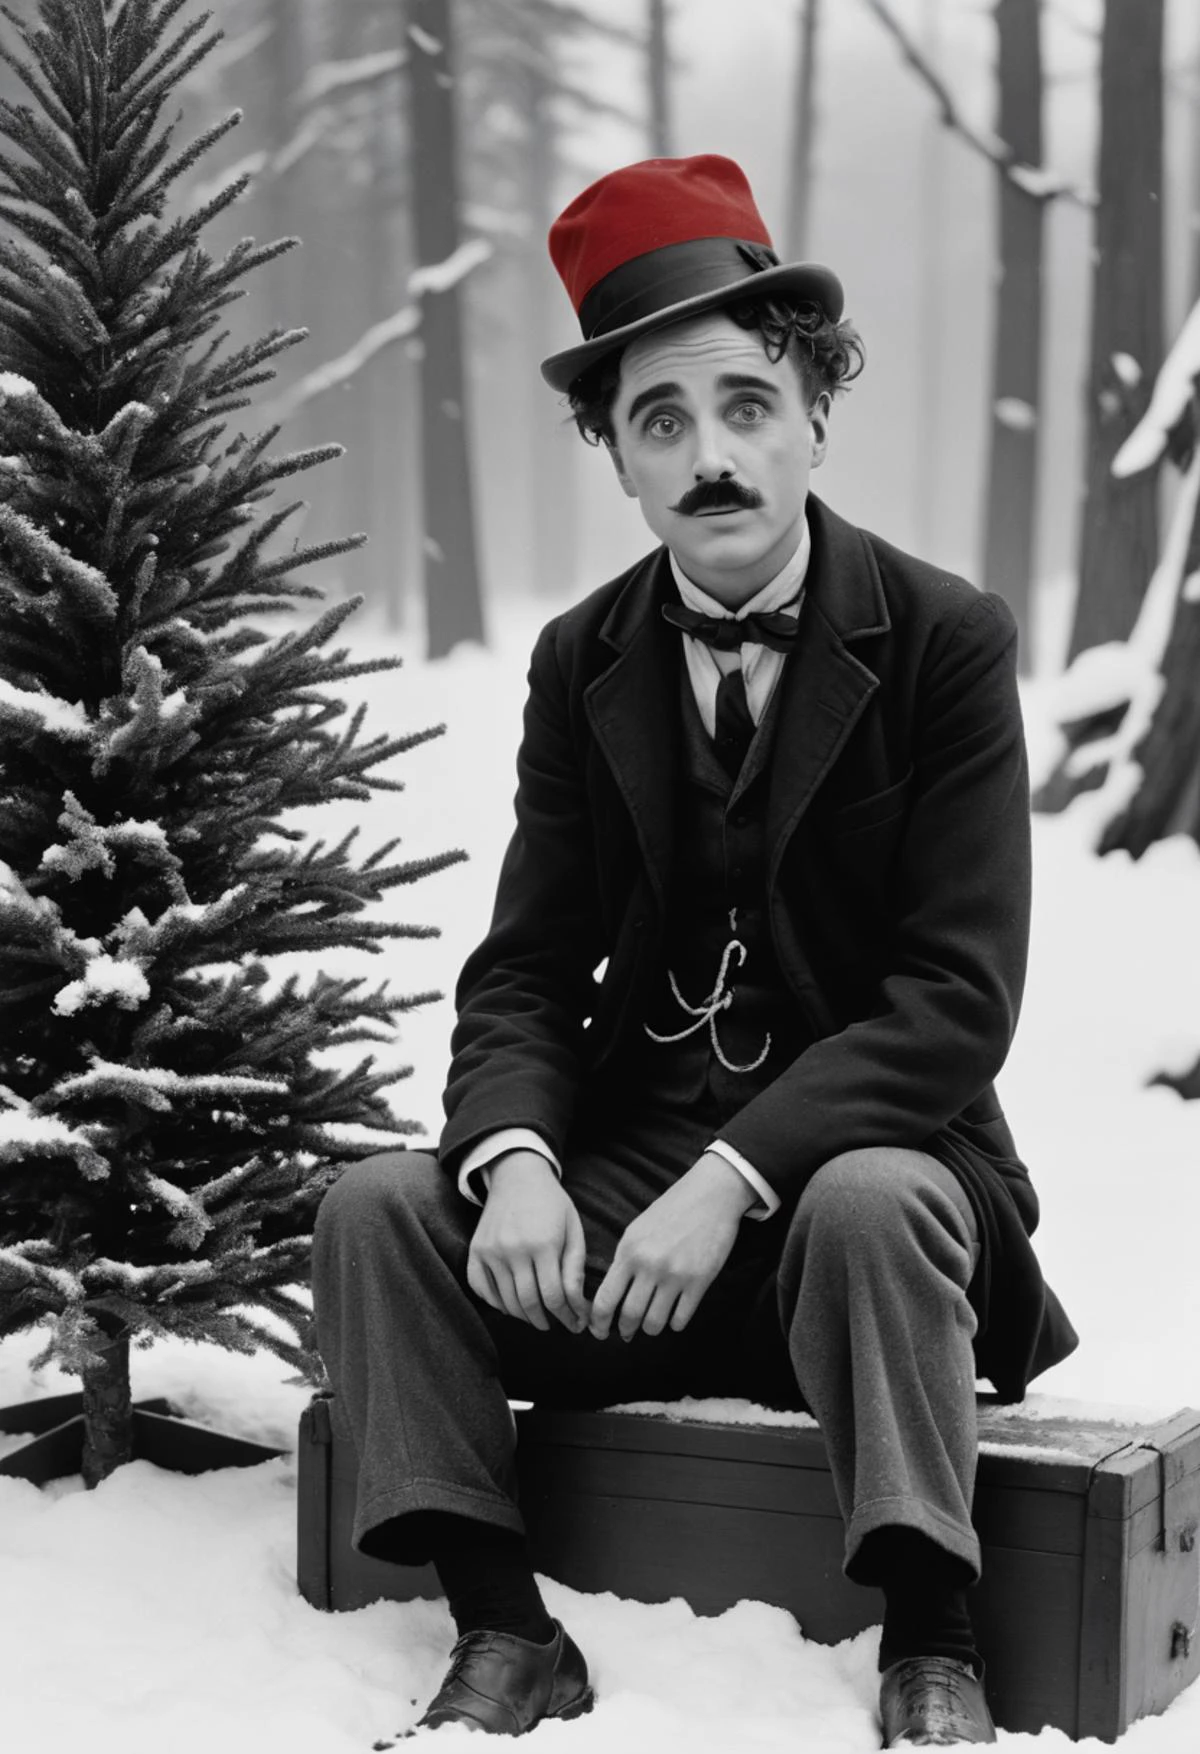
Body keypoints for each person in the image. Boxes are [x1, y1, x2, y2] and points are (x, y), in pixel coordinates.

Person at [313, 154, 1077, 1748]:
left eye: (746, 404)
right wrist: (516, 1153)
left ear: (815, 408)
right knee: (382, 1206)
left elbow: (957, 1001)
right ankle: (507, 1629)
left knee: (865, 1201)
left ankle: (932, 1645)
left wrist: (733, 1176)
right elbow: (527, 964)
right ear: (617, 455)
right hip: (623, 1208)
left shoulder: (945, 638)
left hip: (874, 1196)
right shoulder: (580, 657)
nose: (712, 457)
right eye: (661, 421)